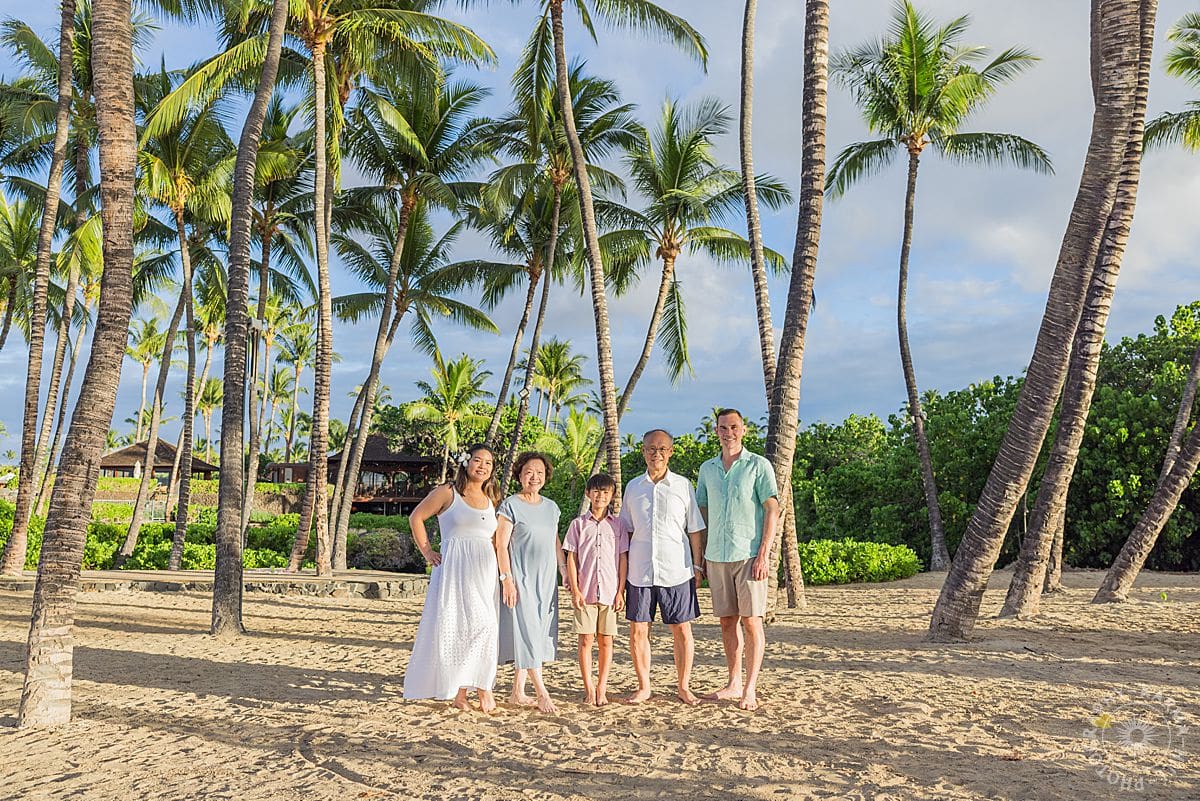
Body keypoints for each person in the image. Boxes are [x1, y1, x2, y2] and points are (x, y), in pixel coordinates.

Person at [403, 444, 502, 713]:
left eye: (489, 463)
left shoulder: (492, 497)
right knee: (458, 629)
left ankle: (479, 687)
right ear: (466, 462)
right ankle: (469, 692)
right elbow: (417, 517)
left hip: (484, 571)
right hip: (455, 569)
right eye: (478, 460)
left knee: (487, 626)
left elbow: (494, 539)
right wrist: (427, 551)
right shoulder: (448, 492)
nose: (482, 466)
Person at [695, 408, 780, 712]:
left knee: (752, 622)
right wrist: (699, 557)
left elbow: (772, 509)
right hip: (716, 556)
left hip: (749, 555)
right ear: (716, 431)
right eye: (722, 428)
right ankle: (733, 683)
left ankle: (750, 688)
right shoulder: (707, 469)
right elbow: (701, 513)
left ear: (743, 430)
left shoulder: (759, 465)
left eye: (733, 427)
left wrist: (764, 554)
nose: (728, 432)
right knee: (727, 622)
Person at [620, 429, 706, 705]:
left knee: (681, 629)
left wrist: (697, 565)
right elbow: (627, 531)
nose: (656, 454)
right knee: (638, 630)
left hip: (677, 570)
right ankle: (644, 686)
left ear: (670, 452)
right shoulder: (633, 487)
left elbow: (694, 529)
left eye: (662, 449)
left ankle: (683, 686)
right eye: (651, 449)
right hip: (640, 571)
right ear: (643, 451)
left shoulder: (683, 486)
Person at [495, 451, 563, 713]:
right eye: (529, 472)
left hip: (546, 580)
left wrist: (564, 570)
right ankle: (541, 691)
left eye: (540, 473)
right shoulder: (511, 505)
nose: (534, 477)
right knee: (527, 631)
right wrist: (506, 579)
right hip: (521, 577)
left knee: (536, 631)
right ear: (520, 475)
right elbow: (500, 544)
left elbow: (554, 541)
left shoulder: (551, 507)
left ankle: (517, 692)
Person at [562, 472, 629, 707]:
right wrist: (576, 590)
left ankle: (602, 687)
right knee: (585, 640)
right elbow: (572, 557)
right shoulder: (578, 524)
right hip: (586, 591)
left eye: (606, 492)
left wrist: (621, 591)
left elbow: (622, 558)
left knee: (606, 641)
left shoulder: (618, 525)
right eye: (597, 491)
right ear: (589, 493)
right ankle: (589, 688)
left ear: (612, 496)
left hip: (610, 592)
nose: (601, 496)